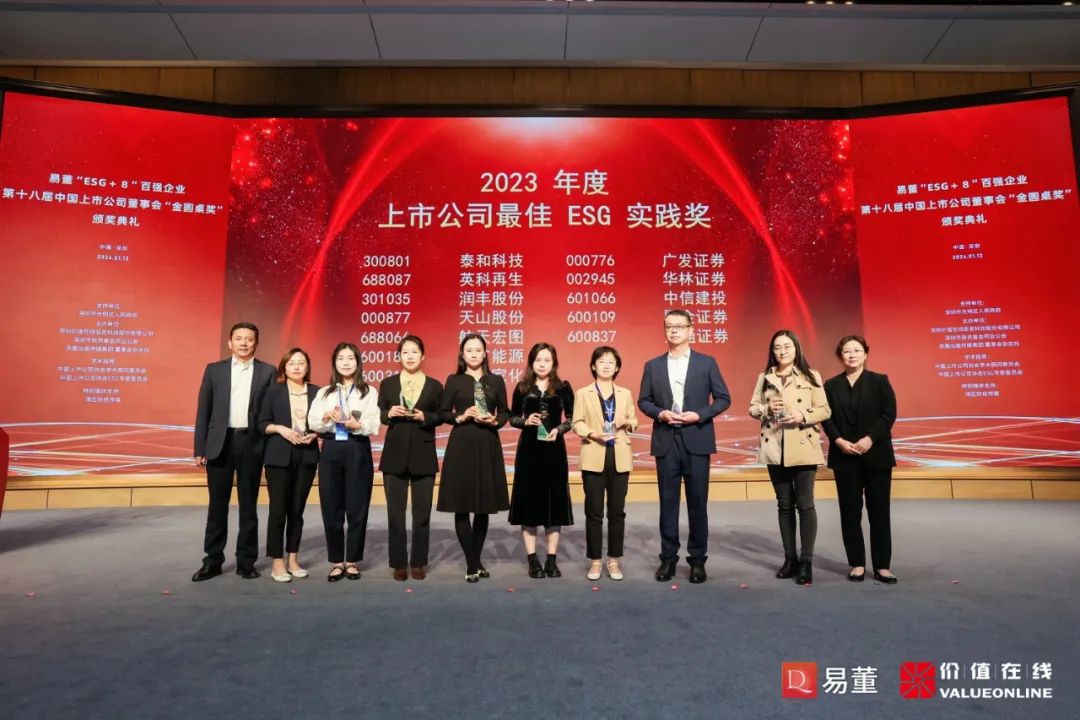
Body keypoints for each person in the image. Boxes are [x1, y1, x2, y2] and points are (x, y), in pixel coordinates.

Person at [639, 309, 731, 584]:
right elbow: (644, 401)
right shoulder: (653, 365)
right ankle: (668, 559)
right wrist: (660, 413)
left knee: (697, 503)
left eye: (680, 326)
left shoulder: (707, 363)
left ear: (691, 330)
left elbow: (723, 399)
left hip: (697, 439)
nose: (674, 330)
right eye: (669, 326)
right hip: (666, 440)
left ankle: (697, 560)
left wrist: (699, 415)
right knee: (668, 503)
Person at [192, 322, 275, 582]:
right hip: (220, 444)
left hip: (252, 443)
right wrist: (200, 448)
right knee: (217, 506)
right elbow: (203, 411)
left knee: (249, 506)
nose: (244, 343)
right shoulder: (214, 370)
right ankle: (213, 560)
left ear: (256, 343)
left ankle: (246, 561)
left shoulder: (268, 371)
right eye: (239, 338)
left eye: (249, 339)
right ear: (230, 343)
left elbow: (271, 411)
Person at [748, 329, 831, 586]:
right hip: (775, 446)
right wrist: (765, 408)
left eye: (787, 346)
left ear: (796, 349)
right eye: (777, 347)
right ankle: (789, 558)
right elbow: (752, 408)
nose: (782, 351)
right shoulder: (765, 377)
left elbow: (824, 409)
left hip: (803, 445)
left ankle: (806, 561)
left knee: (805, 504)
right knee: (784, 504)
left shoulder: (811, 375)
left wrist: (803, 416)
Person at [822, 335, 899, 584]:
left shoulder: (879, 381)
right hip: (844, 456)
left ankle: (882, 566)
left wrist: (869, 439)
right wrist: (838, 441)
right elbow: (826, 417)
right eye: (846, 351)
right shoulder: (830, 385)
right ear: (840, 356)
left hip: (877, 455)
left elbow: (888, 414)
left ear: (865, 354)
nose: (852, 355)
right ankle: (856, 563)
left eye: (856, 350)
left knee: (879, 512)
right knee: (850, 512)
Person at [437, 333, 510, 583]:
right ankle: (472, 563)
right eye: (469, 350)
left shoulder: (496, 380)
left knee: (483, 507)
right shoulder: (454, 380)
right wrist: (461, 416)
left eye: (478, 349)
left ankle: (475, 560)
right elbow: (443, 413)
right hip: (462, 443)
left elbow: (506, 412)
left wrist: (495, 420)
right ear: (462, 354)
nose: (474, 354)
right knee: (462, 504)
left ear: (485, 353)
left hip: (487, 442)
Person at [307, 342, 380, 582]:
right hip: (331, 448)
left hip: (357, 447)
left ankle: (353, 561)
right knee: (331, 505)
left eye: (350, 358)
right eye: (341, 358)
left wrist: (358, 424)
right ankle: (337, 561)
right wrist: (326, 418)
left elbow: (374, 423)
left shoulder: (368, 391)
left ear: (358, 362)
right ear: (334, 363)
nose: (346, 363)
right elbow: (313, 422)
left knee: (357, 506)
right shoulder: (324, 393)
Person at [377, 335, 443, 581]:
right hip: (394, 455)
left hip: (424, 454)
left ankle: (418, 562)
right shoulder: (388, 384)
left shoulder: (434, 386)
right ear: (399, 356)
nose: (410, 356)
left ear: (423, 356)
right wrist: (389, 413)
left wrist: (425, 416)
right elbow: (380, 413)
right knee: (395, 514)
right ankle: (398, 563)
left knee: (422, 514)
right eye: (405, 352)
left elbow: (441, 415)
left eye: (415, 352)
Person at [572, 346, 639, 581]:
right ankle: (595, 561)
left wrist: (625, 422)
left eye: (611, 362)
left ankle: (614, 560)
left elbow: (634, 421)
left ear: (617, 367)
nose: (607, 365)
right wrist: (592, 434)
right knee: (594, 511)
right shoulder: (583, 393)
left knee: (617, 512)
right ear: (593, 366)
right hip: (594, 453)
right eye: (601, 361)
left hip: (619, 455)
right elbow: (577, 422)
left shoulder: (625, 393)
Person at [508, 342, 574, 579]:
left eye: (547, 359)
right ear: (531, 362)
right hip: (529, 452)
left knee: (553, 504)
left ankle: (551, 560)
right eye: (538, 360)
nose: (542, 364)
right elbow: (512, 417)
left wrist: (559, 429)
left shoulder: (563, 388)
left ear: (553, 362)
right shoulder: (522, 387)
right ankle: (533, 560)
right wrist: (525, 421)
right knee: (529, 505)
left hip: (554, 452)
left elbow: (572, 419)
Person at [256, 348, 320, 583]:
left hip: (306, 455)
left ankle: (293, 559)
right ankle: (277, 562)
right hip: (278, 456)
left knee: (297, 510)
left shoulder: (317, 392)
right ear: (284, 367)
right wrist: (280, 429)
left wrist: (315, 434)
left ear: (307, 367)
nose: (296, 366)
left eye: (301, 362)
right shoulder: (273, 391)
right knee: (278, 510)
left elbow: (324, 423)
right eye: (292, 363)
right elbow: (261, 423)